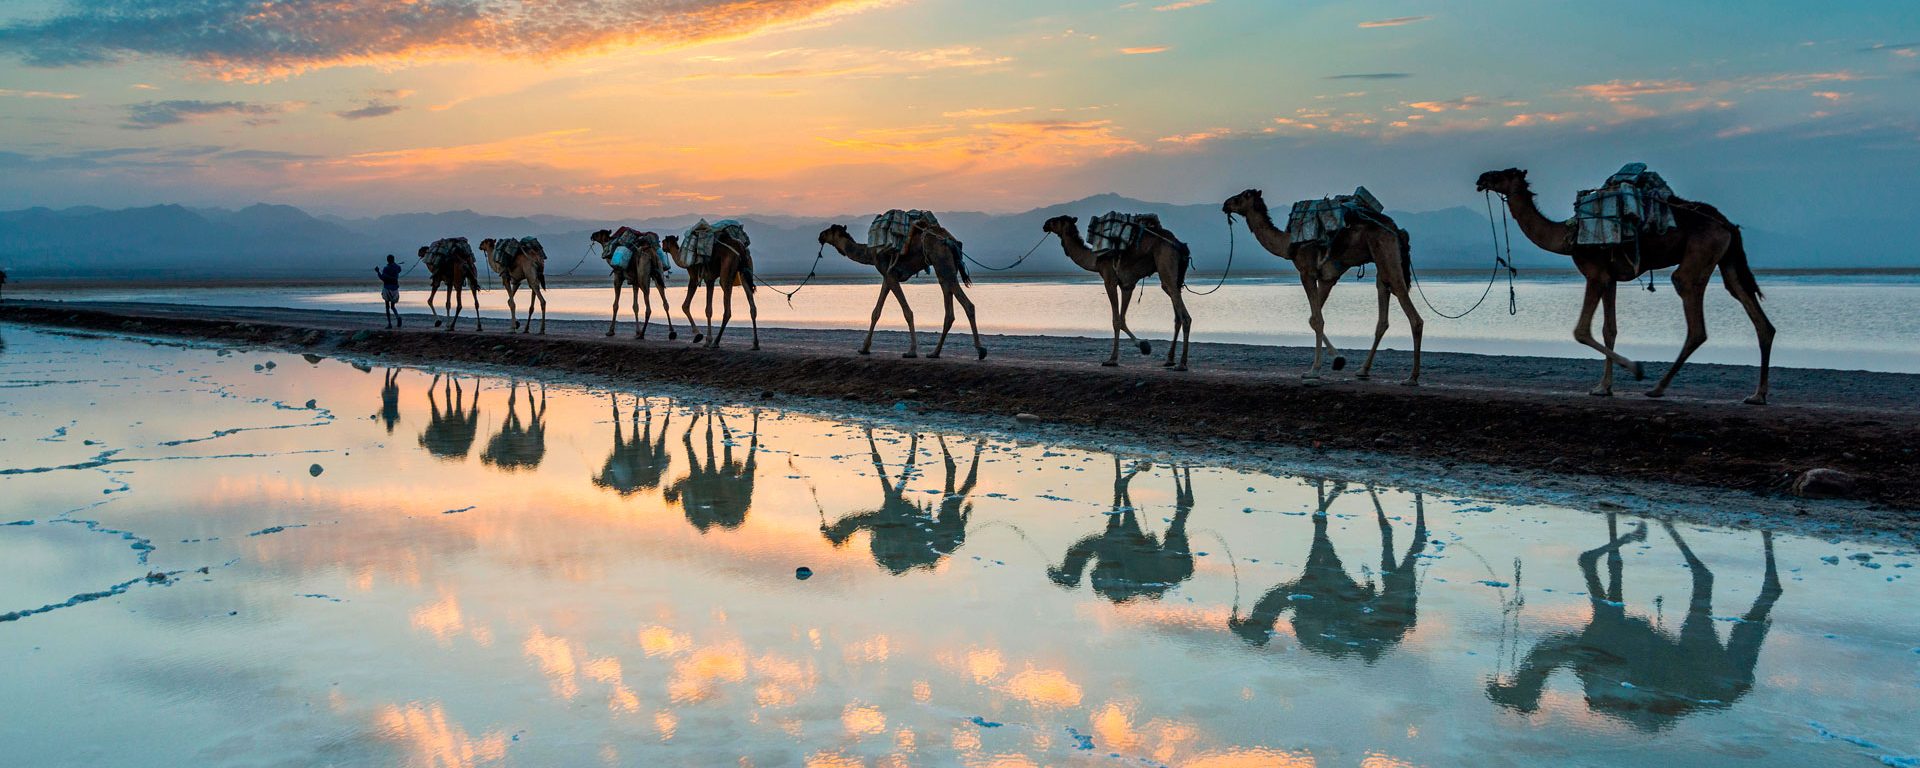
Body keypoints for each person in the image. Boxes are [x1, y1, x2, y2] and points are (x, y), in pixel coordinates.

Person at [376, 255, 403, 328]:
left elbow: (382, 278)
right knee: (393, 306)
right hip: (395, 289)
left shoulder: (386, 268)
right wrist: (394, 265)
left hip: (387, 288)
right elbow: (399, 270)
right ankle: (398, 317)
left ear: (387, 260)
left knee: (387, 306)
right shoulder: (397, 267)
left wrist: (378, 271)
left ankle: (389, 324)